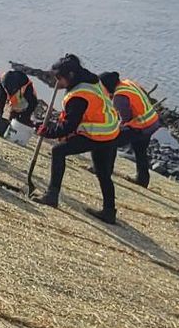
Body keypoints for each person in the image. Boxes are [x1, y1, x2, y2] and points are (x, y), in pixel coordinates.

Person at [38, 54, 122, 224]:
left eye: (59, 78)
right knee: (103, 173)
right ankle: (109, 211)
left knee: (58, 151)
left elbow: (69, 126)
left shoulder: (79, 96)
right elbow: (73, 119)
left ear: (70, 76)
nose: (56, 83)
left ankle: (52, 195)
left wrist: (47, 132)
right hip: (110, 129)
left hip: (97, 133)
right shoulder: (90, 79)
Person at [101, 72, 161, 187]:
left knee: (110, 141)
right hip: (152, 122)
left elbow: (126, 119)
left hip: (141, 126)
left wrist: (112, 128)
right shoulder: (128, 83)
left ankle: (105, 170)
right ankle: (142, 180)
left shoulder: (120, 96)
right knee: (140, 151)